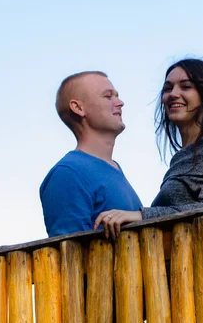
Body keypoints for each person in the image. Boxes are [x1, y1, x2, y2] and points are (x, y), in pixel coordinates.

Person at [94, 58, 203, 238]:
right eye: (168, 88)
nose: (173, 94)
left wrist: (141, 215)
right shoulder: (184, 155)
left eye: (186, 86)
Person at [40, 71, 142, 237]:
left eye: (117, 96)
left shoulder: (115, 169)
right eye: (108, 96)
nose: (120, 102)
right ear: (79, 108)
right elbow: (70, 255)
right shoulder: (68, 173)